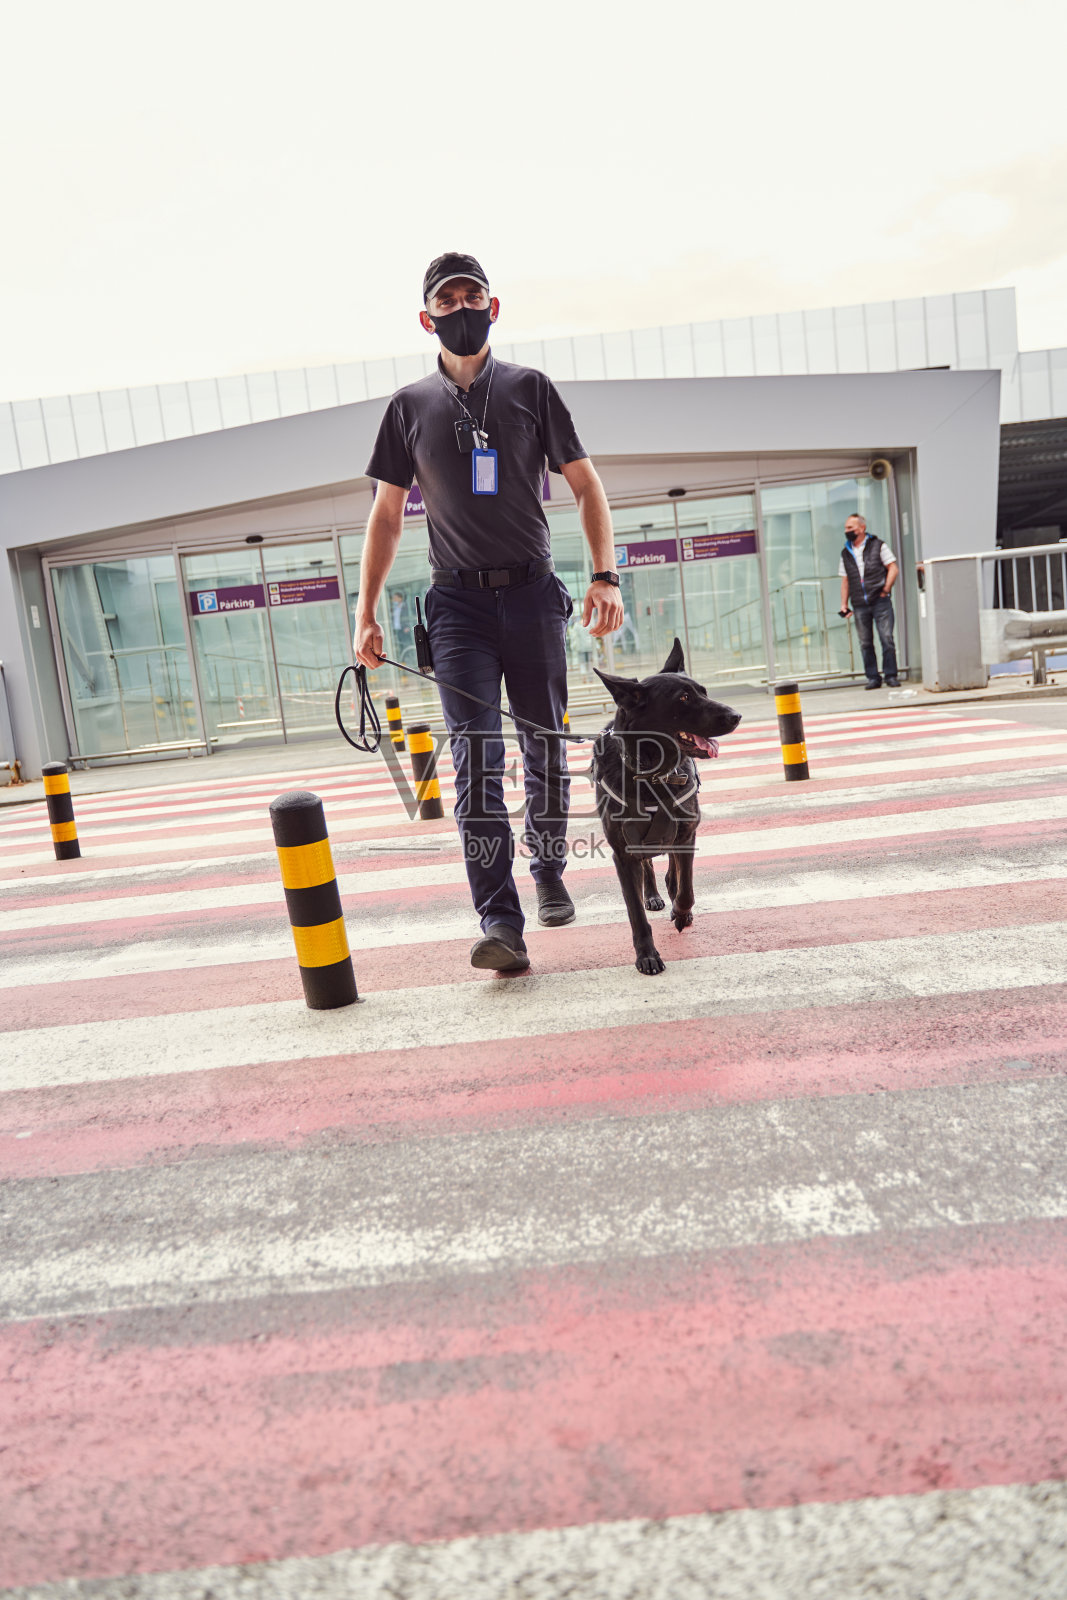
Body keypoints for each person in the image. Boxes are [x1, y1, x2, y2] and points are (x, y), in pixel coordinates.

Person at [354, 252, 624, 971]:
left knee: (542, 744)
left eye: (472, 295)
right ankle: (500, 921)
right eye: (447, 300)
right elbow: (386, 517)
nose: (461, 306)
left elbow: (587, 486)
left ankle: (549, 870)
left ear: (493, 308)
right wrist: (367, 611)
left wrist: (604, 575)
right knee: (475, 756)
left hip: (533, 595)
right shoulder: (408, 407)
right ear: (426, 318)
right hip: (456, 607)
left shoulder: (531, 390)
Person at [838, 513, 901, 688]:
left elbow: (893, 568)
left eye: (850, 527)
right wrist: (844, 604)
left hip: (880, 601)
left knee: (886, 638)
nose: (847, 531)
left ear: (862, 528)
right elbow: (845, 580)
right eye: (846, 528)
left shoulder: (878, 546)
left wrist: (886, 589)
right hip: (859, 604)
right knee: (865, 643)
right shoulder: (845, 553)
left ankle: (891, 675)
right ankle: (873, 678)